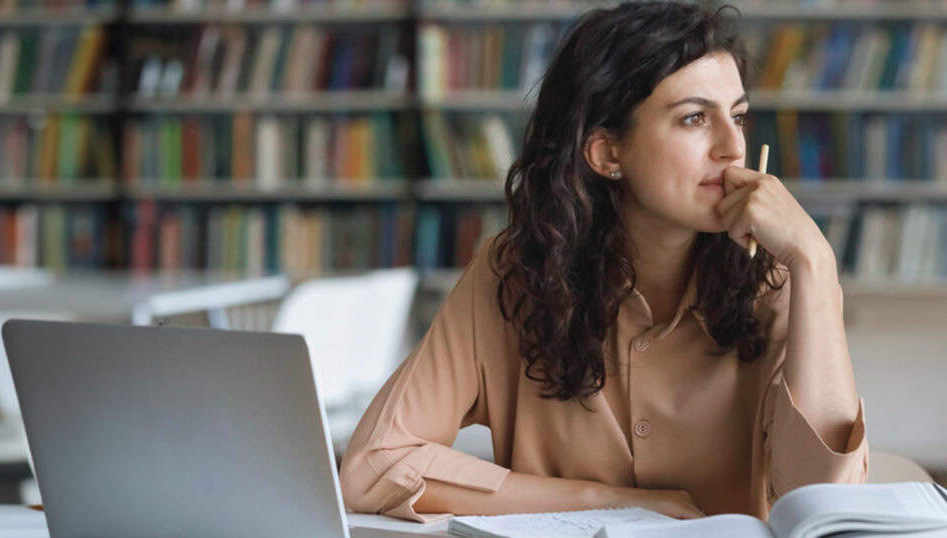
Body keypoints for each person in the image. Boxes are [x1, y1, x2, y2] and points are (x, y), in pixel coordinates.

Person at [339, 1, 867, 522]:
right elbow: (374, 465)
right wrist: (604, 499)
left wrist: (815, 261)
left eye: (738, 117)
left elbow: (827, 506)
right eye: (694, 119)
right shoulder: (513, 274)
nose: (732, 148)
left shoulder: (777, 279)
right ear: (608, 153)